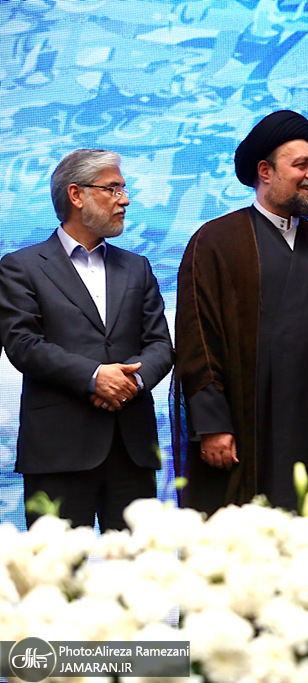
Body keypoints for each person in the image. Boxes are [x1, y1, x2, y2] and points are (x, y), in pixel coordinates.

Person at [174, 110, 308, 513]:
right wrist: (212, 425)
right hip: (249, 428)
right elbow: (199, 340)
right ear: (265, 171)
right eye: (301, 165)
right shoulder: (216, 241)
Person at [0, 149, 173, 530]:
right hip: (57, 452)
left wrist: (130, 383)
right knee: (57, 566)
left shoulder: (138, 267)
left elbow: (161, 345)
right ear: (76, 195)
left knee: (139, 564)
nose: (124, 200)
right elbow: (23, 345)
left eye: (123, 189)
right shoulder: (21, 267)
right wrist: (95, 377)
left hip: (131, 449)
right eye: (113, 189)